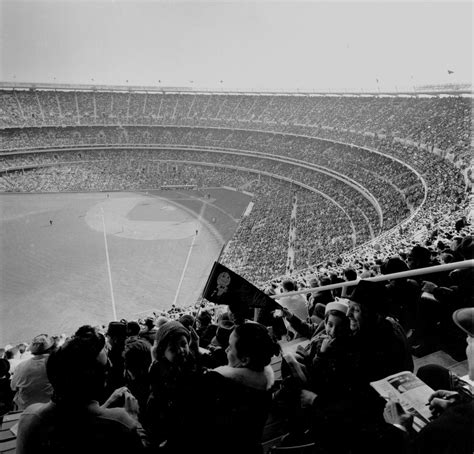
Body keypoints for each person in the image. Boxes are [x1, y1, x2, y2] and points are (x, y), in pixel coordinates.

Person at [16, 325, 148, 454]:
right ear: (99, 380)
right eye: (105, 369)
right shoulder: (121, 421)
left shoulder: (29, 417)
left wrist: (106, 405)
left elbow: (79, 418)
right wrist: (133, 418)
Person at [195, 322, 279, 454]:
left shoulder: (218, 385)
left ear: (245, 360)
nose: (226, 350)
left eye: (230, 346)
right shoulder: (264, 383)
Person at [10, 334, 55, 410]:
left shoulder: (21, 366)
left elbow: (13, 387)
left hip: (26, 408)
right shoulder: (57, 363)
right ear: (52, 348)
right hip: (50, 407)